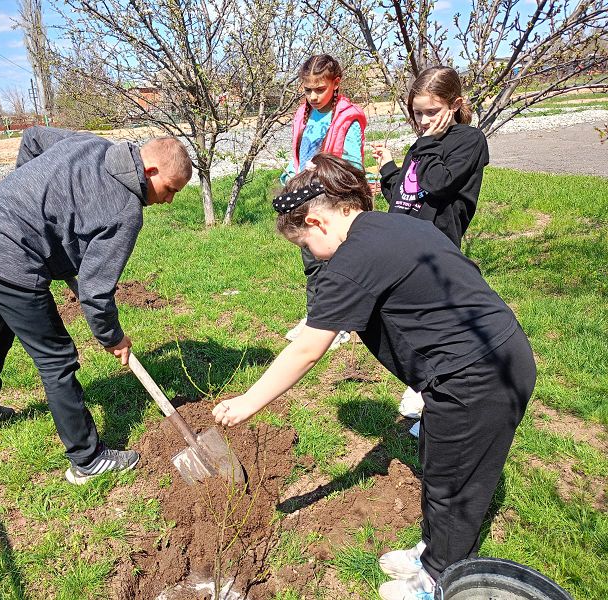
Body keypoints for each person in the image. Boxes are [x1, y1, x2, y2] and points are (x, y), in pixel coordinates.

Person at [213, 153, 535, 600]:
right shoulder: (395, 225)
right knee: (439, 459)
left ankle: (437, 579)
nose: (310, 254)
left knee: (454, 485)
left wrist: (247, 402)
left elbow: (307, 348)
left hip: (476, 376)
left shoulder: (353, 258)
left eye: (304, 243)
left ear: (317, 222)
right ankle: (433, 551)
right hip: (491, 355)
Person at [0, 126, 192, 485]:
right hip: (12, 260)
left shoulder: (90, 144)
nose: (169, 200)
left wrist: (26, 198)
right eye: (170, 189)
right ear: (150, 170)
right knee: (56, 359)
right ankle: (87, 459)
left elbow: (33, 138)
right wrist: (113, 338)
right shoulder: (126, 211)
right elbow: (95, 293)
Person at [371, 66, 489, 434]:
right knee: (404, 327)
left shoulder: (468, 140)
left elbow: (438, 183)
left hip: (434, 253)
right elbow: (405, 196)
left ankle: (442, 406)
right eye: (417, 113)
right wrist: (388, 168)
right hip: (403, 248)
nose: (423, 121)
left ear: (454, 104)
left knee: (437, 332)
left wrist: (426, 145)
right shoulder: (424, 143)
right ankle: (424, 388)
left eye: (431, 112)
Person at [281, 54, 367, 349]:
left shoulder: (346, 118)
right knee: (312, 261)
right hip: (307, 199)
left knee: (334, 264)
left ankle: (337, 323)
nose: (313, 96)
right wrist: (291, 174)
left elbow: (353, 163)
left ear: (336, 83)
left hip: (333, 200)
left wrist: (321, 170)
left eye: (320, 89)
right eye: (308, 90)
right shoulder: (303, 114)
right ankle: (315, 317)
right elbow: (299, 154)